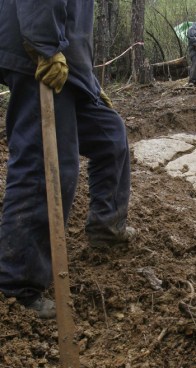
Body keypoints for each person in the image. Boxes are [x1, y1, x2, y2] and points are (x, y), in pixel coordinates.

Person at [0, 0, 134, 319]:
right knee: (45, 165)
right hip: (35, 52)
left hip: (68, 66)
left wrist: (90, 84)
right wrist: (43, 46)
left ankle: (106, 227)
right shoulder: (41, 45)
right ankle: (17, 285)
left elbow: (75, 26)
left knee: (110, 135)